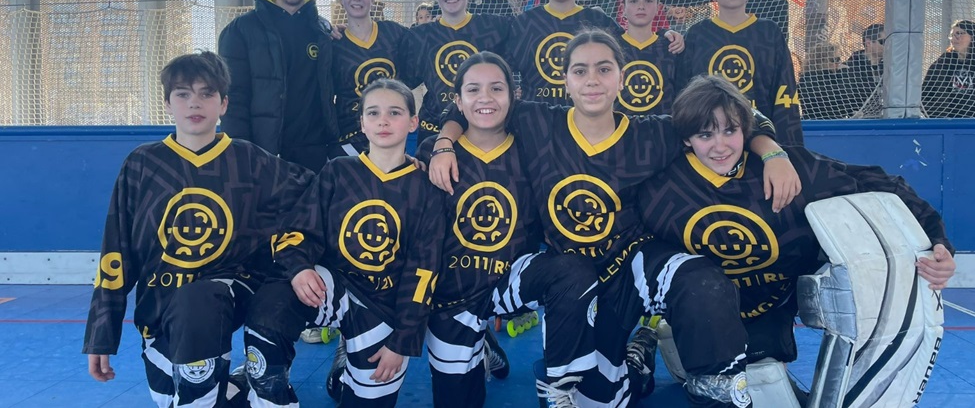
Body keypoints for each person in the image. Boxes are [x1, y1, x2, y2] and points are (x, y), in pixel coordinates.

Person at [431, 29, 801, 407]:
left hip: (633, 265)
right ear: (565, 81)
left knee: (701, 281)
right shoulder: (535, 122)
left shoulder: (652, 133)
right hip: (573, 285)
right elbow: (471, 103)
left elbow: (731, 113)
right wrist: (443, 143)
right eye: (580, 70)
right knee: (596, 398)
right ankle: (637, 362)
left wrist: (772, 152)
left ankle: (717, 391)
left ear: (622, 78)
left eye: (604, 69)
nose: (592, 79)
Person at [629, 74, 956, 398]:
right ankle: (655, 335)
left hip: (769, 308)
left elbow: (883, 185)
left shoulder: (794, 171)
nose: (720, 146)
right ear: (687, 139)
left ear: (746, 130)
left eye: (730, 131)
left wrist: (938, 243)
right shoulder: (660, 188)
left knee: (765, 380)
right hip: (701, 312)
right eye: (705, 134)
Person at [83, 51, 314, 407]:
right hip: (163, 305)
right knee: (180, 397)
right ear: (167, 103)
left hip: (234, 291)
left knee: (203, 300)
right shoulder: (143, 165)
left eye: (207, 93)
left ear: (223, 104)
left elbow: (319, 193)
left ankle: (261, 378)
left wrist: (298, 261)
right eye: (183, 94)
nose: (195, 103)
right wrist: (102, 334)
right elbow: (116, 250)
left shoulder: (250, 160)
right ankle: (236, 386)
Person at [243, 79, 446, 407]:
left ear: (413, 123)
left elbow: (424, 270)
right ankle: (268, 396)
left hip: (382, 305)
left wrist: (402, 340)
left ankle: (346, 368)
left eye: (394, 113)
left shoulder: (425, 188)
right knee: (271, 308)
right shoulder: (337, 172)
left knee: (369, 395)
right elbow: (297, 231)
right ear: (362, 123)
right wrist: (299, 268)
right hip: (331, 289)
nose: (383, 120)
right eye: (373, 113)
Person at [416, 52, 599, 408]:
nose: (485, 98)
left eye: (496, 88)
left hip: (509, 279)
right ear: (458, 102)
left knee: (573, 272)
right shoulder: (431, 153)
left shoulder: (533, 148)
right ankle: (479, 343)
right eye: (473, 89)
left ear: (514, 96)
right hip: (452, 293)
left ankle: (560, 382)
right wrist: (441, 143)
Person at [507, 0, 683, 106]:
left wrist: (666, 33)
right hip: (537, 118)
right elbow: (505, 66)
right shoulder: (524, 22)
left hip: (587, 118)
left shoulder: (597, 20)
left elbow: (633, 40)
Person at [218, 0, 339, 172]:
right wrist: (239, 152)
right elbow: (233, 96)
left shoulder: (323, 31)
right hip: (263, 154)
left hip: (313, 153)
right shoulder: (241, 30)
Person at [678, 0, 803, 146]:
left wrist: (788, 147)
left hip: (762, 139)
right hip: (710, 141)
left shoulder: (769, 33)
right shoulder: (698, 34)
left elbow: (785, 90)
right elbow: (684, 90)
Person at [401, 0, 512, 140]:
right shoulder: (420, 36)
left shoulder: (493, 26)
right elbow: (407, 79)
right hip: (434, 128)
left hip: (483, 127)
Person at [329, 0, 411, 157]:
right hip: (349, 138)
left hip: (390, 133)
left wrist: (439, 21)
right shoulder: (333, 43)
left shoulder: (394, 33)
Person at [615, 0, 685, 115]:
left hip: (663, 127)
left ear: (658, 8)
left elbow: (682, 96)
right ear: (623, 9)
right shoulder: (611, 48)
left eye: (648, 0)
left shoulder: (671, 47)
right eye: (634, 1)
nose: (641, 6)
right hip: (620, 127)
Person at [799, 42, 873, 120]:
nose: (839, 63)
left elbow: (857, 99)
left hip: (837, 122)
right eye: (835, 59)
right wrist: (844, 74)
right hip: (817, 123)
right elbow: (839, 101)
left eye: (839, 59)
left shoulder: (834, 77)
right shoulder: (809, 79)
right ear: (820, 61)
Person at [844, 23, 885, 87]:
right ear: (868, 43)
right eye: (883, 42)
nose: (888, 45)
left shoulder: (890, 66)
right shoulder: (850, 68)